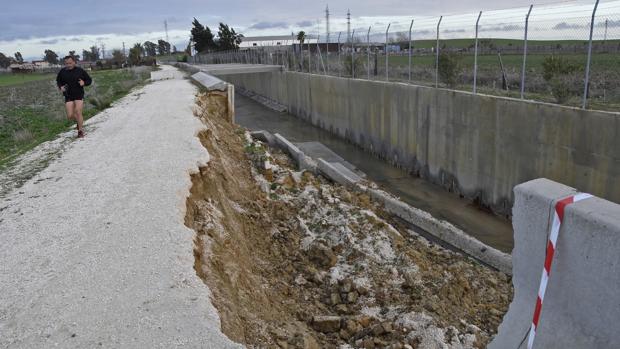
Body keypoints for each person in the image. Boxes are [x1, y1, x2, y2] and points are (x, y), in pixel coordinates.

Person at [56, 55, 92, 138]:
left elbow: (89, 80)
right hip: (68, 95)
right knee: (70, 115)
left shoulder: (80, 71)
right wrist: (60, 87)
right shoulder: (62, 72)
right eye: (66, 63)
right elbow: (58, 81)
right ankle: (79, 121)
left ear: (74, 62)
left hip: (78, 94)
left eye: (70, 63)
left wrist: (84, 83)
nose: (68, 65)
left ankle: (80, 130)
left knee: (78, 112)